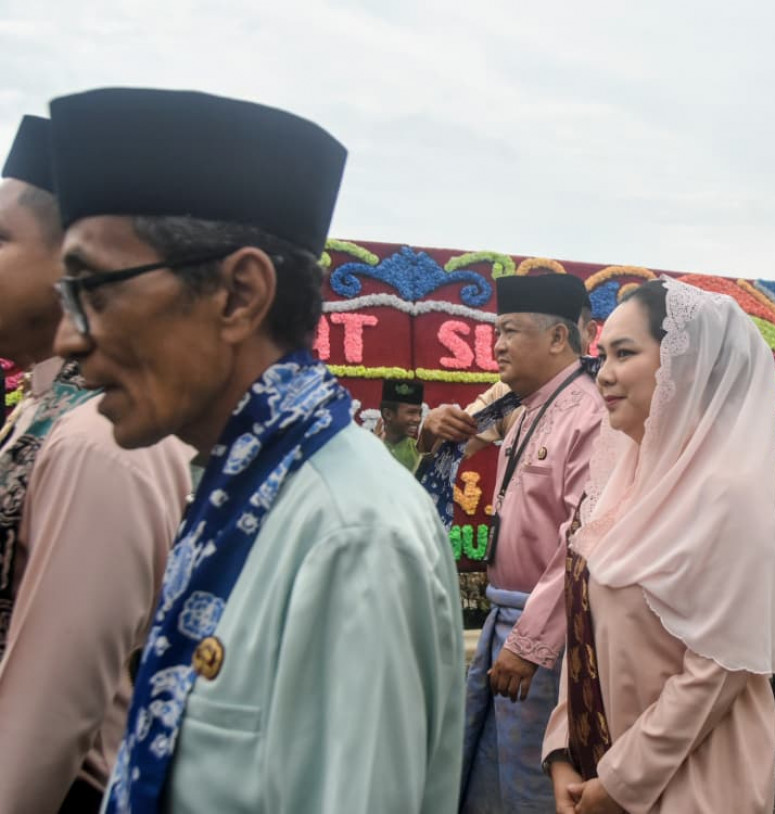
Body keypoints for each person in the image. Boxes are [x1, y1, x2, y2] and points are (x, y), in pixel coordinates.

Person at [47, 87, 464, 814]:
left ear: (239, 295)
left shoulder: (347, 536)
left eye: (94, 290)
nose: (68, 339)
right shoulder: (235, 485)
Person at [0, 115, 192, 814]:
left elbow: (52, 715)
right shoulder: (40, 409)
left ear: (74, 265)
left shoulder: (100, 437)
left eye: (3, 238)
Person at [542, 278, 775, 812]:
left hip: (688, 784)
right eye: (601, 354)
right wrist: (563, 748)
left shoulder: (727, 495)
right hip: (597, 766)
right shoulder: (618, 484)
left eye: (625, 353)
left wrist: (622, 781)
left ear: (688, 364)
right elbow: (583, 624)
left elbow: (717, 669)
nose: (603, 373)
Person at [459, 274, 604, 813]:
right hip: (509, 616)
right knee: (491, 765)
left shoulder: (589, 414)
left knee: (532, 776)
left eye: (510, 330)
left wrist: (529, 640)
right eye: (497, 331)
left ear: (558, 339)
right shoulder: (527, 407)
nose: (497, 345)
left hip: (546, 629)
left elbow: (583, 538)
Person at [420, 304, 598, 461]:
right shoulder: (509, 393)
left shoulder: (606, 395)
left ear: (589, 332)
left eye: (510, 331)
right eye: (499, 334)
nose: (499, 346)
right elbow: (447, 449)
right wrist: (431, 430)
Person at [379, 379, 424, 473]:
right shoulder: (366, 448)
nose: (418, 419)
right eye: (411, 412)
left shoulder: (419, 453)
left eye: (420, 413)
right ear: (388, 414)